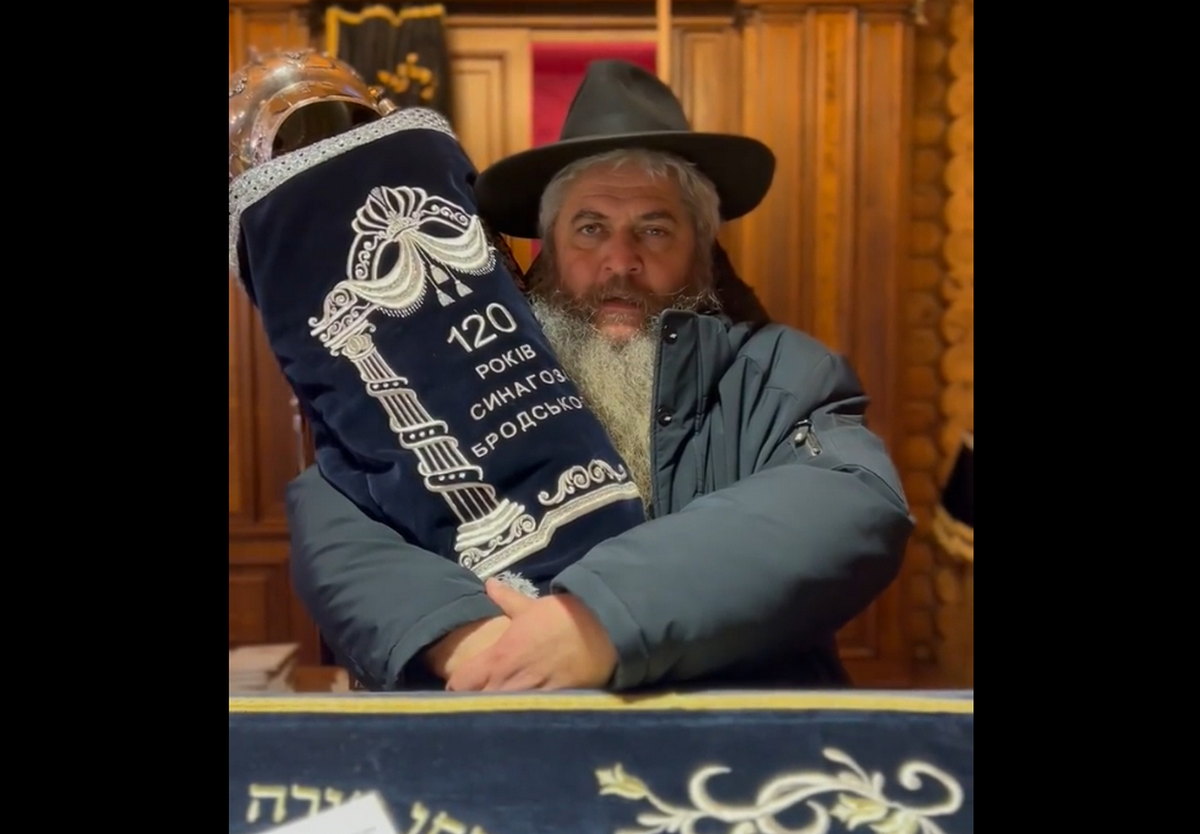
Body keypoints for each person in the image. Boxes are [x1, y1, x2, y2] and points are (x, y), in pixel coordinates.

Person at [286, 59, 913, 693]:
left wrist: (596, 622)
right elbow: (338, 510)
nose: (620, 260)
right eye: (590, 228)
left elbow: (851, 499)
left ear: (702, 251)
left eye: (655, 229)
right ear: (549, 249)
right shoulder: (459, 373)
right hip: (496, 718)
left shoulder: (783, 373)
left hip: (727, 733)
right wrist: (472, 640)